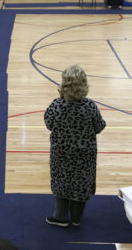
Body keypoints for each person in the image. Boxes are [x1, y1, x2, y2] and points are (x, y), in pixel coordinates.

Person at [44, 64, 106, 227]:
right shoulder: (90, 106)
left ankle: (61, 216)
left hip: (61, 153)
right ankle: (77, 218)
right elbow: (99, 126)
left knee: (61, 182)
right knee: (81, 183)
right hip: (84, 155)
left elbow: (48, 124)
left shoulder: (57, 105)